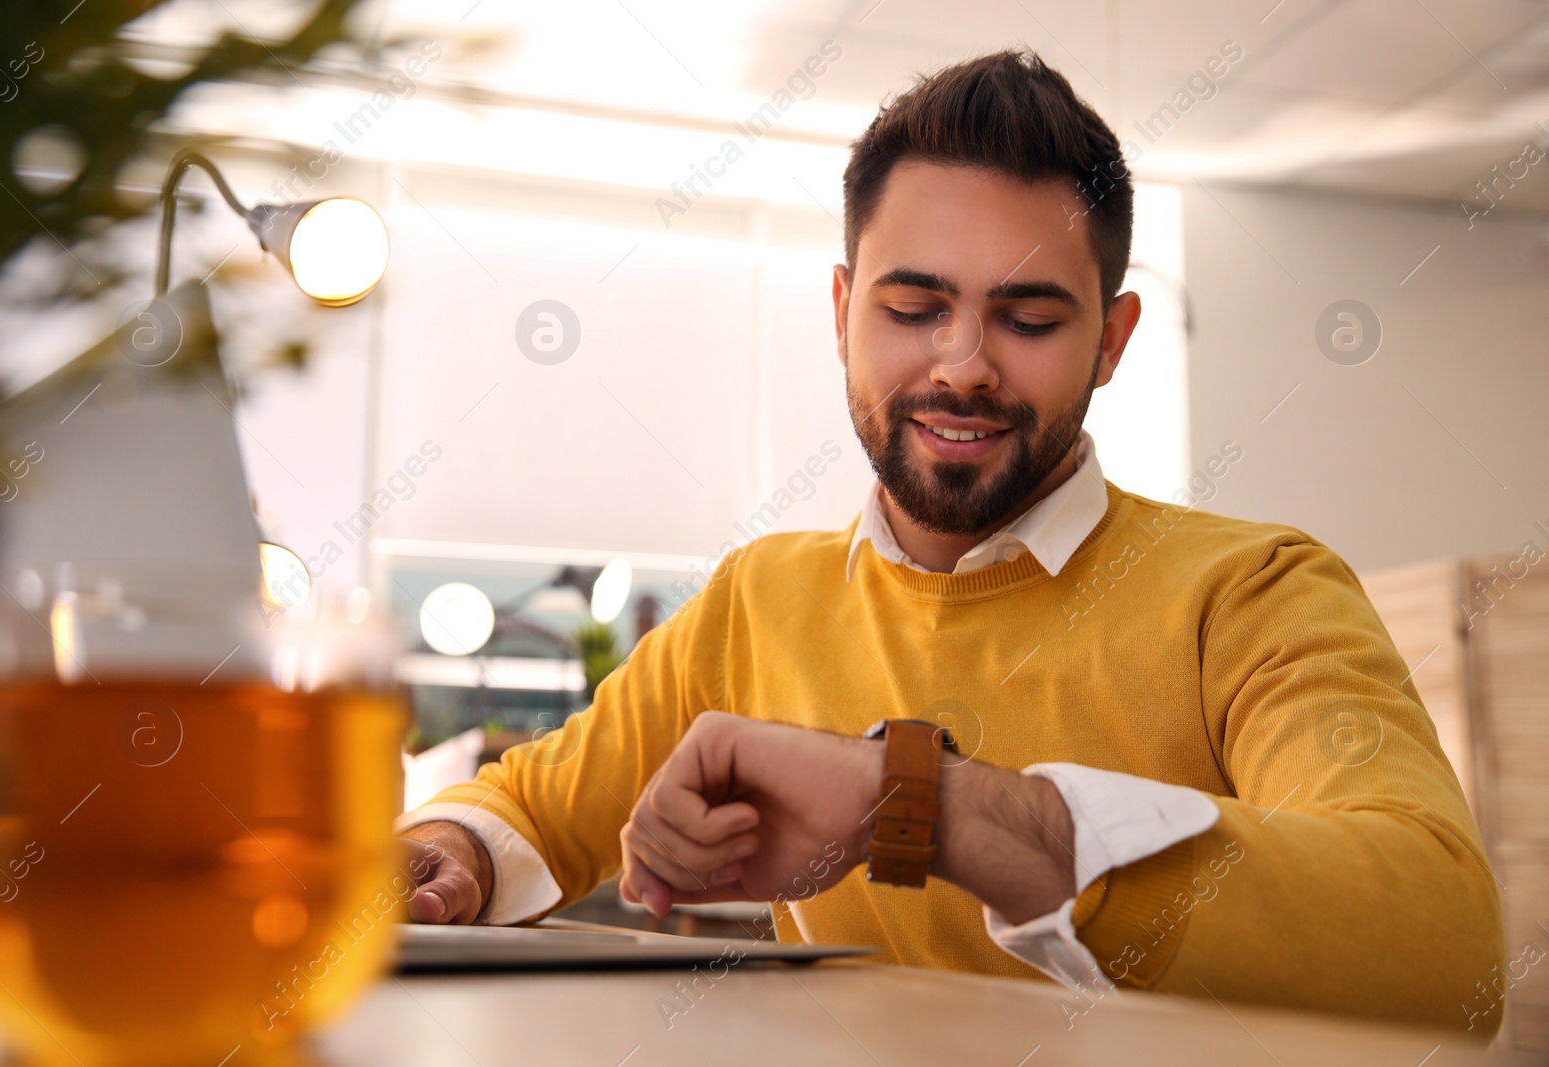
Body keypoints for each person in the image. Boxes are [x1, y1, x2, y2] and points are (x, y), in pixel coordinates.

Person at [397, 48, 1503, 1034]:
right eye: (914, 307)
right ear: (840, 312)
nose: (964, 361)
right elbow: (532, 807)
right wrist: (444, 856)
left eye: (1029, 319)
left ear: (1111, 341)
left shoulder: (1254, 590)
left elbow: (1439, 947)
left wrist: (914, 802)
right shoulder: (758, 599)